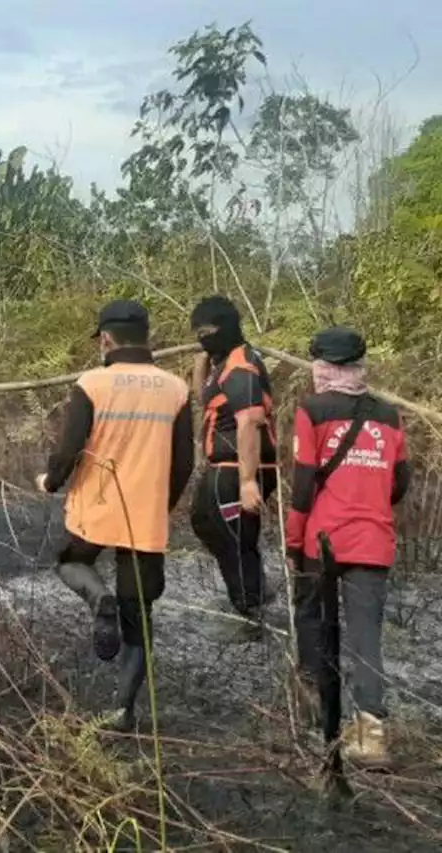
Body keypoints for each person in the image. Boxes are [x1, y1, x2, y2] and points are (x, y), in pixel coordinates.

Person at [35, 299, 194, 731]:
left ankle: (97, 599)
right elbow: (184, 463)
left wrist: (51, 480)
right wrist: (163, 506)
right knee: (138, 613)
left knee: (71, 560)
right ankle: (123, 711)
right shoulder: (176, 388)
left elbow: (69, 448)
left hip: (96, 507)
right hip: (146, 515)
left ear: (105, 338)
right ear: (148, 336)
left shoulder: (92, 383)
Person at [286, 327, 410, 766]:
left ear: (322, 367)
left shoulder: (312, 410)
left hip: (323, 540)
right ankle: (371, 736)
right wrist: (369, 499)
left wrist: (293, 536)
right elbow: (400, 482)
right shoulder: (390, 416)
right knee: (365, 640)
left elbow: (302, 484)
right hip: (373, 542)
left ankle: (320, 708)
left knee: (312, 620)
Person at [188, 295, 278, 638]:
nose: (202, 336)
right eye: (198, 331)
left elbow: (250, 422)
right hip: (222, 467)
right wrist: (201, 365)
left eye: (208, 330)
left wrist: (247, 481)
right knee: (203, 521)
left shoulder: (241, 367)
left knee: (237, 539)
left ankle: (252, 615)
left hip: (239, 468)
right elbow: (208, 402)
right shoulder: (221, 363)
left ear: (226, 327)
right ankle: (251, 592)